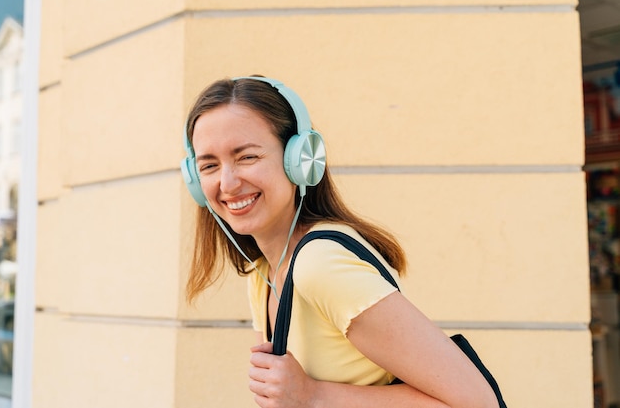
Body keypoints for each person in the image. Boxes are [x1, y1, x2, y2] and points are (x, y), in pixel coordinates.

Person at [181, 75, 499, 408]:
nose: (227, 183)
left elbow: (478, 404)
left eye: (247, 157)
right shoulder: (265, 275)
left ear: (300, 160)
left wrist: (312, 395)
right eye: (209, 165)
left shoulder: (319, 266)